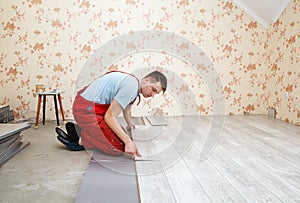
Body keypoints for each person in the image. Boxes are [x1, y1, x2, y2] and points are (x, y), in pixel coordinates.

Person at [56, 70, 167, 157]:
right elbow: (109, 116)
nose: (153, 95)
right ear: (146, 80)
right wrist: (128, 141)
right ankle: (78, 138)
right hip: (85, 109)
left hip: (91, 107)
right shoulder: (131, 87)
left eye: (155, 93)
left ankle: (82, 129)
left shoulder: (133, 83)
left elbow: (127, 109)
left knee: (122, 134)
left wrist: (130, 125)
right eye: (153, 90)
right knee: (118, 146)